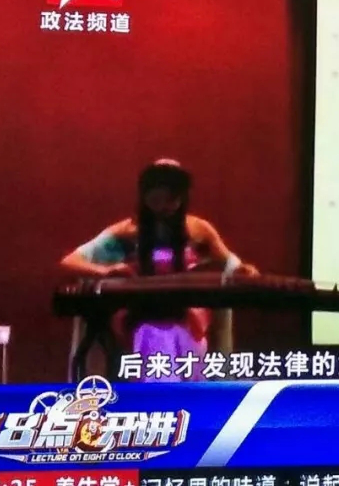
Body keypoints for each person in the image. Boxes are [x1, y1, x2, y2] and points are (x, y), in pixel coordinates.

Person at [60, 159, 259, 381]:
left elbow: (230, 263)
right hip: (139, 315)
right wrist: (107, 271)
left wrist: (243, 270)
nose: (163, 207)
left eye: (170, 199)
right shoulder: (128, 231)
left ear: (181, 198)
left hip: (187, 314)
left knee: (185, 334)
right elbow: (70, 261)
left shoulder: (197, 230)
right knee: (152, 334)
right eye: (156, 200)